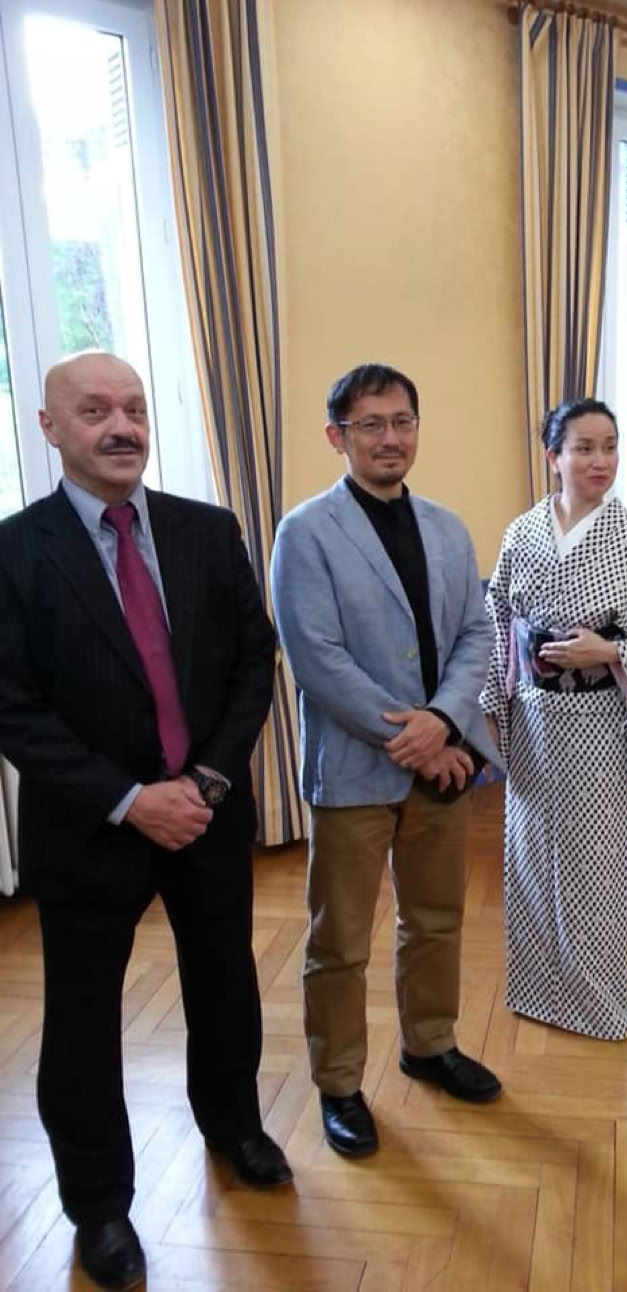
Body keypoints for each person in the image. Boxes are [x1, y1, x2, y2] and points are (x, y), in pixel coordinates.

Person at [0, 352, 292, 1291]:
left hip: (205, 814)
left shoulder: (209, 531)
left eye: (132, 407)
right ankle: (100, 1208)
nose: (120, 426)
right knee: (82, 1027)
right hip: (90, 831)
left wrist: (205, 781)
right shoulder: (13, 551)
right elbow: (12, 708)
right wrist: (130, 799)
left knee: (225, 985)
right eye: (94, 411)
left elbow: (256, 660)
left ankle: (236, 1127)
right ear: (51, 429)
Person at [270, 362, 502, 1160]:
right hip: (357, 771)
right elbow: (316, 657)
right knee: (342, 941)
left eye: (402, 421)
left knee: (436, 919)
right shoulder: (305, 532)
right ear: (337, 437)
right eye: (370, 424)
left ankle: (429, 1045)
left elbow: (479, 634)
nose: (390, 438)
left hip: (441, 762)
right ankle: (339, 1083)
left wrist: (443, 723)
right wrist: (410, 735)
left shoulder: (446, 525)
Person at [480, 398, 627, 1041]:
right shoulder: (522, 533)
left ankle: (597, 1003)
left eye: (610, 446)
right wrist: (493, 704)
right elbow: (498, 624)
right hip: (534, 721)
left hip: (598, 720)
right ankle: (537, 989)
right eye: (584, 448)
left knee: (593, 864)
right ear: (554, 458)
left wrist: (612, 650)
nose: (601, 461)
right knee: (529, 856)